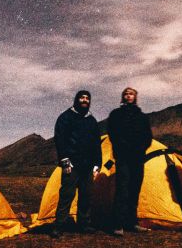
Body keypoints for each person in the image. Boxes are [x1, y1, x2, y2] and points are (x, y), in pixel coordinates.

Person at [52, 90, 102, 238]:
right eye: (82, 97)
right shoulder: (66, 117)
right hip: (71, 164)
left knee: (86, 195)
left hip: (87, 165)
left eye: (87, 98)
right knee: (67, 194)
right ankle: (59, 225)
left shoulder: (91, 120)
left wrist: (97, 164)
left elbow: (96, 144)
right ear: (76, 99)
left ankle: (84, 224)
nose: (85, 100)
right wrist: (65, 160)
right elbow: (60, 140)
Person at [106, 86, 153, 236]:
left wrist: (141, 149)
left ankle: (131, 223)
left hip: (138, 158)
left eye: (131, 94)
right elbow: (112, 133)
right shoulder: (116, 114)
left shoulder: (142, 116)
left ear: (135, 97)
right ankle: (117, 224)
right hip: (123, 158)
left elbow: (148, 137)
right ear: (123, 97)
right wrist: (122, 148)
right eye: (126, 94)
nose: (128, 96)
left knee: (135, 189)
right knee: (122, 189)